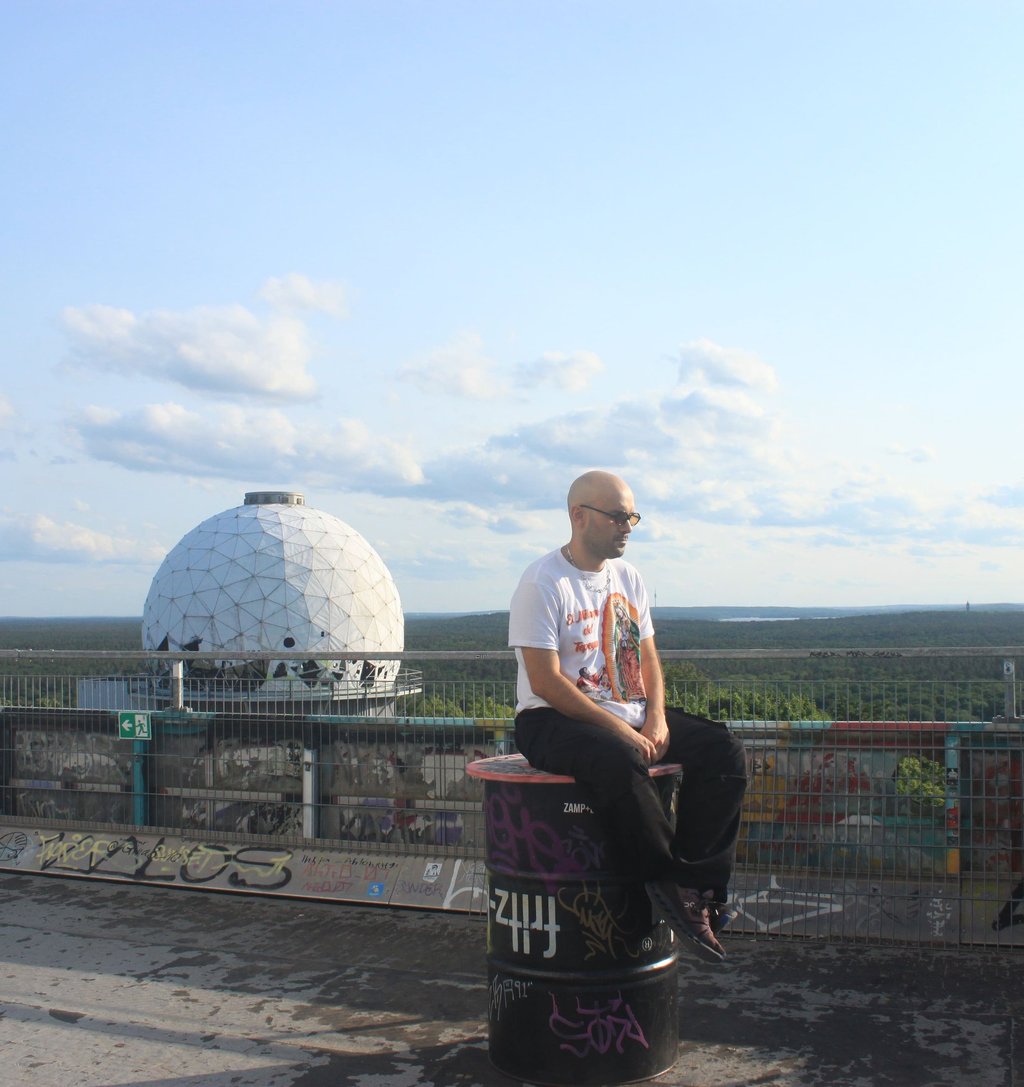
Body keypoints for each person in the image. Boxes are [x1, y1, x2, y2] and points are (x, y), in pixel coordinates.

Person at [508, 469, 748, 962]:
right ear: (579, 516)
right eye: (617, 516)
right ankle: (667, 881)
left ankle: (700, 885)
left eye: (632, 517)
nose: (627, 527)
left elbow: (648, 658)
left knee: (722, 749)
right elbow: (545, 681)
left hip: (628, 710)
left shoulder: (629, 578)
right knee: (619, 757)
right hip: (551, 719)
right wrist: (620, 728)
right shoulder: (542, 581)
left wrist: (655, 717)